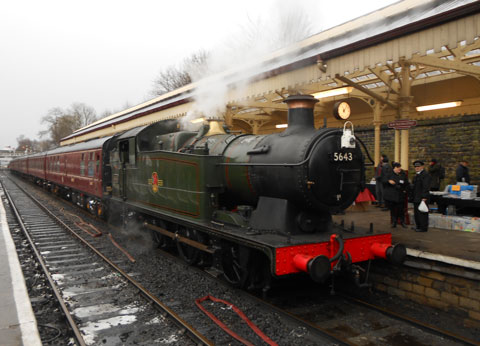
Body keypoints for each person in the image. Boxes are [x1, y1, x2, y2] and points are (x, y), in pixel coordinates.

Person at [383, 162, 408, 228]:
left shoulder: (403, 174)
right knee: (393, 210)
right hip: (392, 195)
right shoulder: (389, 174)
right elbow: (383, 181)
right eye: (398, 167)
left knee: (401, 209)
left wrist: (405, 189)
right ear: (394, 168)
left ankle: (402, 222)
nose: (399, 168)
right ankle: (394, 222)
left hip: (400, 194)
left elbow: (406, 182)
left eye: (400, 167)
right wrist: (389, 181)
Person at [412, 160, 431, 232]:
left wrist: (424, 197)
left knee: (422, 213)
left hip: (422, 197)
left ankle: (423, 228)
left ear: (422, 167)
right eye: (415, 167)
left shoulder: (425, 175)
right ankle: (418, 226)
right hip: (416, 196)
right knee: (416, 213)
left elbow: (426, 186)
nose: (416, 168)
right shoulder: (417, 175)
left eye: (418, 166)